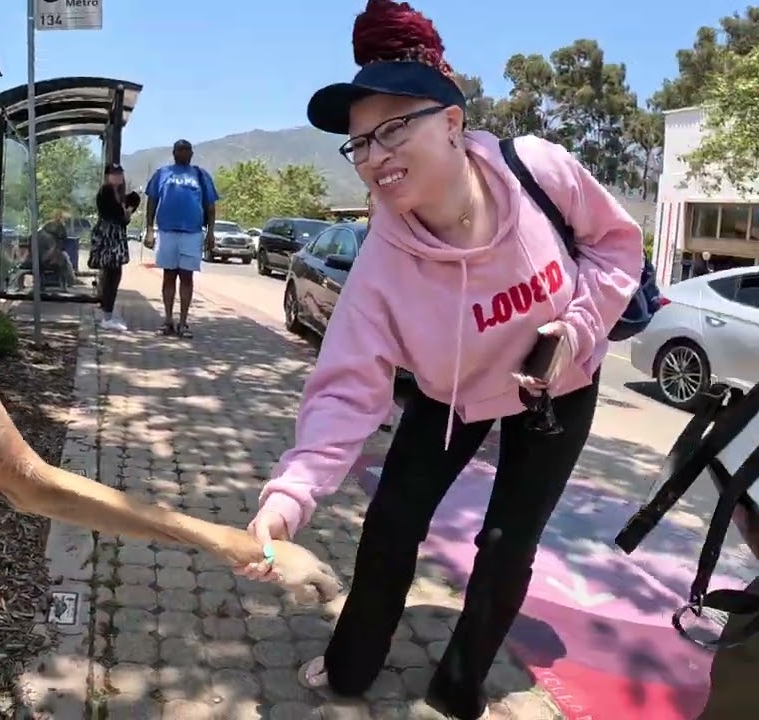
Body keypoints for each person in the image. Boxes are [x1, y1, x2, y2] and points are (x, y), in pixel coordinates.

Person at [235, 2, 643, 719]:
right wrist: (287, 497)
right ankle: (352, 664)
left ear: (451, 123)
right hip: (451, 394)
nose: (375, 157)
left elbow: (617, 247)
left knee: (506, 542)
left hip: (560, 385)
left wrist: (575, 331)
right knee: (391, 522)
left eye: (393, 130)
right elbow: (344, 393)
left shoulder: (537, 169)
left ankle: (458, 688)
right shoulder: (381, 266)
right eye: (359, 144)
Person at [143, 139, 219, 338]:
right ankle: (168, 320)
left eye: (187, 150)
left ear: (192, 153)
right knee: (168, 276)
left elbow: (210, 207)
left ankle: (183, 322)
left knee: (187, 277)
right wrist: (150, 229)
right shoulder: (162, 173)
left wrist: (210, 232)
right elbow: (151, 201)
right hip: (167, 232)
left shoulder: (201, 176)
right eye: (180, 149)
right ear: (174, 152)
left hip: (192, 234)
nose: (183, 153)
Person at [90, 163, 139, 330]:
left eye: (119, 173)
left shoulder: (118, 194)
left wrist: (128, 209)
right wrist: (125, 212)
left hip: (115, 236)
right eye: (113, 174)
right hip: (109, 238)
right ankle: (107, 317)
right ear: (107, 176)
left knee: (113, 275)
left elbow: (124, 216)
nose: (117, 177)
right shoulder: (106, 192)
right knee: (112, 275)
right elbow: (118, 216)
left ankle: (107, 315)